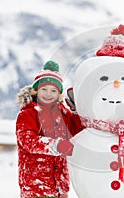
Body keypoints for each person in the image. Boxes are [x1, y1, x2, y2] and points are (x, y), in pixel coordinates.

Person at [15, 60, 84, 198]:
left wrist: (77, 111)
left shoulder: (64, 113)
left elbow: (78, 130)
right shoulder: (28, 113)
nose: (48, 94)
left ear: (59, 94)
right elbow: (28, 140)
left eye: (53, 90)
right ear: (36, 90)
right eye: (44, 89)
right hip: (36, 184)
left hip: (60, 184)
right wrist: (55, 145)